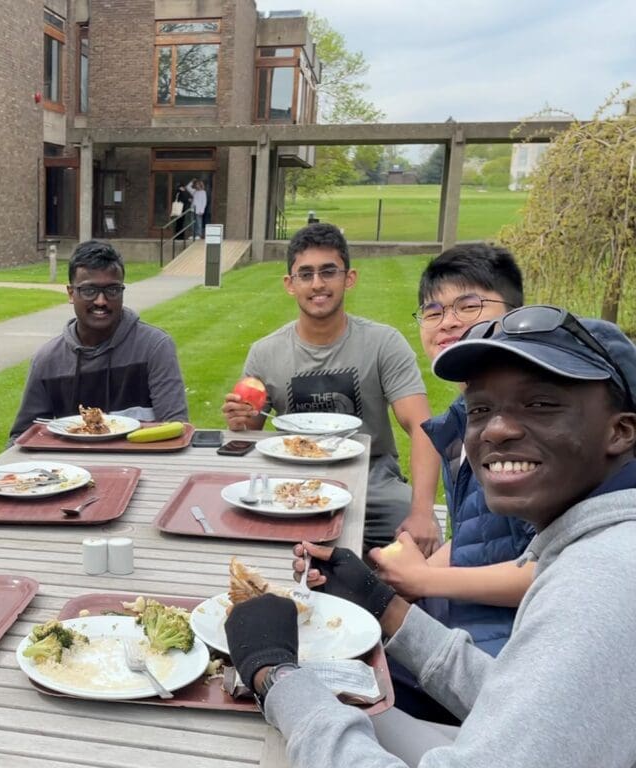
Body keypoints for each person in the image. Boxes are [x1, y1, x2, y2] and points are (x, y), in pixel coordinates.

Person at [225, 306, 636, 767]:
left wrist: (275, 676)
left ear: (621, 432)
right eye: (480, 409)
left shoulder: (599, 582)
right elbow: (519, 697)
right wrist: (382, 604)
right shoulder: (597, 547)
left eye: (540, 404)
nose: (497, 429)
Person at [375, 244, 535, 722]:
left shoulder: (531, 425)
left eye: (468, 306)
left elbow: (547, 572)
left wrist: (422, 579)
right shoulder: (460, 420)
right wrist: (397, 583)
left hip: (507, 657)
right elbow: (474, 537)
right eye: (433, 310)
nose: (446, 322)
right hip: (462, 615)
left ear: (516, 314)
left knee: (344, 674)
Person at [221, 223, 440, 552]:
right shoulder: (265, 353)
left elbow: (423, 427)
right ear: (289, 284)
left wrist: (422, 512)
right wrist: (240, 419)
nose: (317, 284)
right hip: (291, 478)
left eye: (328, 272)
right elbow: (250, 431)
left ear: (348, 278)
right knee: (242, 534)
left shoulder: (382, 343)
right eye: (305, 274)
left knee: (424, 539)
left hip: (372, 477)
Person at [9, 240, 189, 439]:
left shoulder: (154, 348)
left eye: (112, 290)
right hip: (71, 468)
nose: (101, 301)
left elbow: (176, 428)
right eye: (89, 290)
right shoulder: (48, 360)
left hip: (140, 463)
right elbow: (23, 437)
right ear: (71, 293)